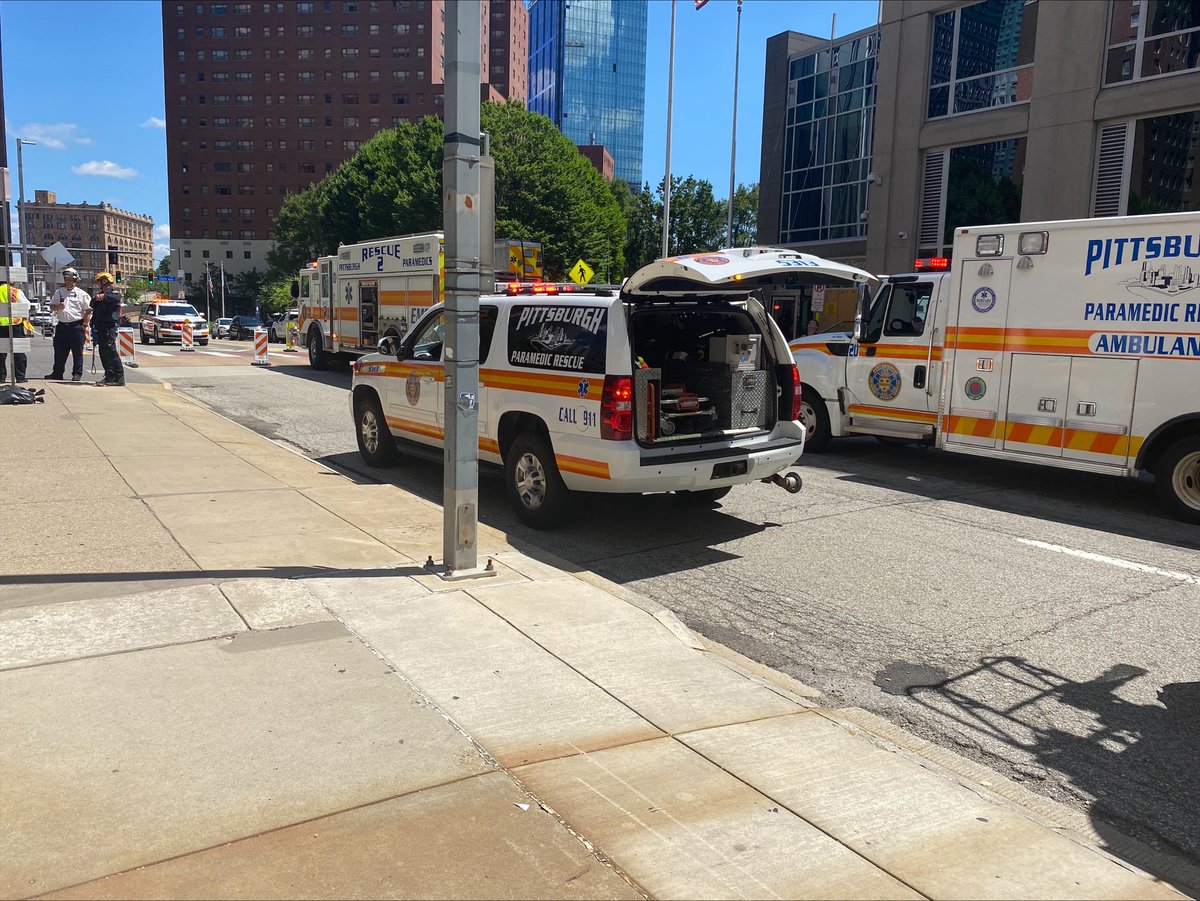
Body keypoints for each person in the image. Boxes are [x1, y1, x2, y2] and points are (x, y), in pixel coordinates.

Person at [44, 267, 93, 382]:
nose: (68, 282)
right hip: (62, 325)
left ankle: (77, 374)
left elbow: (89, 310)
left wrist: (84, 325)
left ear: (75, 280)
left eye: (70, 279)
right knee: (59, 350)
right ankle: (57, 373)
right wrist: (58, 307)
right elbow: (51, 307)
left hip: (76, 326)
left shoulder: (82, 294)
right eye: (66, 279)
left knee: (77, 352)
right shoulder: (59, 292)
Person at [90, 272, 124, 387]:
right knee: (103, 352)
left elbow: (117, 298)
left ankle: (118, 377)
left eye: (99, 281)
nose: (98, 284)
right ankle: (109, 376)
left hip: (109, 326)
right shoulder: (99, 295)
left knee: (111, 350)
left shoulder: (112, 294)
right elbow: (92, 303)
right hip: (100, 327)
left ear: (104, 281)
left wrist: (104, 296)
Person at [0, 279, 33, 383]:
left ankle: (1, 377)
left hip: (1, 325)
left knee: (1, 353)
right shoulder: (15, 292)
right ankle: (20, 377)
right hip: (15, 324)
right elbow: (26, 306)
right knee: (18, 352)